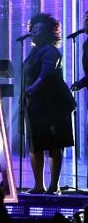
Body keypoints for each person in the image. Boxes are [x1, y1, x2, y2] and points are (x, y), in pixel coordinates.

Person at [23, 12, 74, 194]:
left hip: (53, 104)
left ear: (48, 32)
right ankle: (39, 185)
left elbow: (46, 73)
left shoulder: (51, 51)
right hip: (36, 104)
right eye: (33, 29)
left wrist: (33, 88)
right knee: (35, 144)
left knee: (54, 144)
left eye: (39, 29)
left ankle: (53, 185)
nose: (34, 32)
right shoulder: (34, 51)